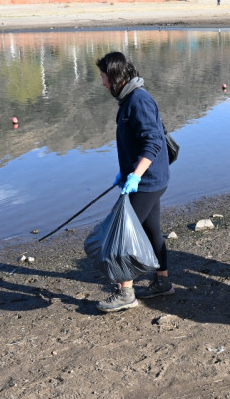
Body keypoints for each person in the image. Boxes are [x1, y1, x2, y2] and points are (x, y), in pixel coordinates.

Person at [95, 51, 173, 313]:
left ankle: (126, 292)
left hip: (147, 181)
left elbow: (153, 142)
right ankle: (162, 282)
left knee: (122, 236)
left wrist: (136, 175)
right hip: (149, 179)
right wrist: (126, 172)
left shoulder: (138, 100)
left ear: (116, 76)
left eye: (104, 77)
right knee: (152, 231)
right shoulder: (129, 99)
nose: (103, 83)